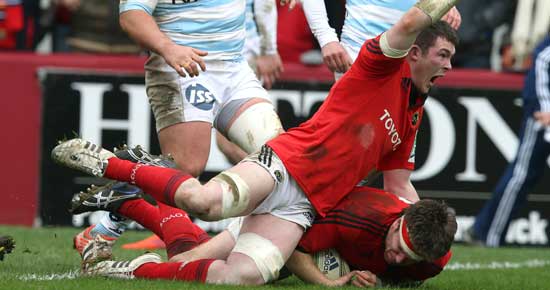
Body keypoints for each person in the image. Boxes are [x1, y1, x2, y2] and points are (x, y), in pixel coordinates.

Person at [52, 0, 459, 284]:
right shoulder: (379, 66)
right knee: (205, 199)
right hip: (290, 162)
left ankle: (123, 268)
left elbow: (399, 187)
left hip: (304, 205)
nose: (449, 65)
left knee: (240, 274)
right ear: (415, 53)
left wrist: (431, 227)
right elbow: (407, 23)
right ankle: (107, 163)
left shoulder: (412, 113)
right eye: (442, 54)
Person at [72, 0, 291, 254]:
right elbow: (131, 15)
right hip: (182, 68)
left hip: (234, 68)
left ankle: (116, 209)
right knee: (187, 167)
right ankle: (118, 205)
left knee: (279, 154)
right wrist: (169, 48)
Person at [69, 175, 455, 286]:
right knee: (200, 267)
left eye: (409, 258)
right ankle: (123, 267)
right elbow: (296, 248)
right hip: (287, 217)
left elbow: (405, 272)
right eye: (397, 247)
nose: (398, 258)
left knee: (191, 259)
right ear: (396, 224)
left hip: (311, 223)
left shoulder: (434, 255)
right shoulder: (356, 218)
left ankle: (126, 201)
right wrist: (326, 282)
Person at [465, 35, 550, 247]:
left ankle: (482, 231)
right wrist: (545, 106)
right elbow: (542, 59)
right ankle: (487, 235)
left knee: (521, 176)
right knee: (521, 176)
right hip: (543, 119)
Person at [302, 0, 460, 78]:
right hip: (359, 56)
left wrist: (439, 4)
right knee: (354, 139)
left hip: (409, 63)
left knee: (396, 140)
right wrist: (326, 38)